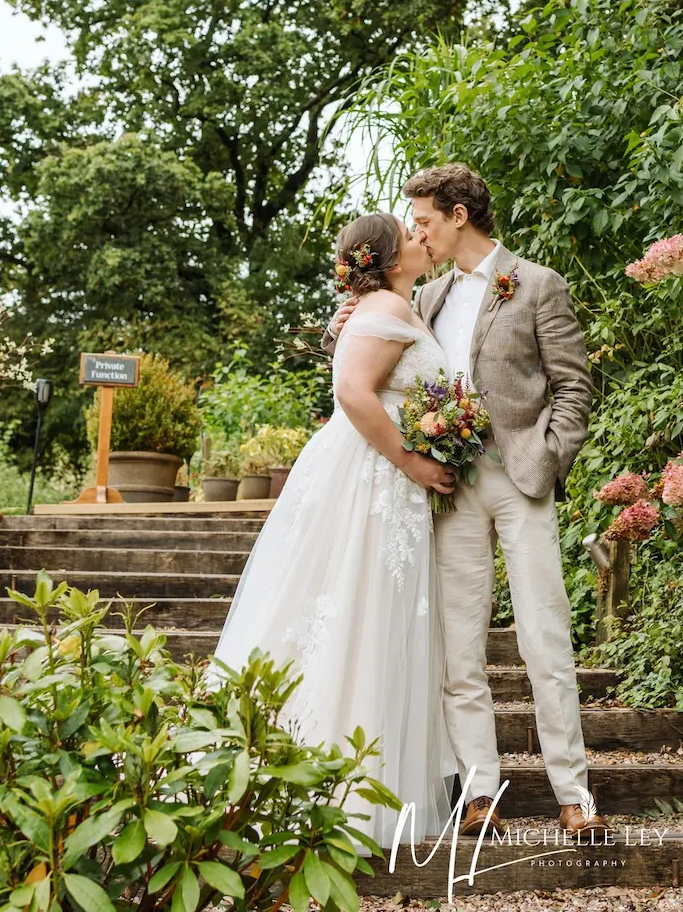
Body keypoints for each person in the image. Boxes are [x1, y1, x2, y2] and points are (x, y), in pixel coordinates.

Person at [325, 163, 606, 839]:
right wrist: (343, 326)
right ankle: (481, 794)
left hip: (521, 483)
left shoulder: (538, 284)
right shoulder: (426, 298)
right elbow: (377, 368)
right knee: (459, 648)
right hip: (448, 491)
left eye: (422, 219)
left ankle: (576, 795)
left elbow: (574, 388)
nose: (415, 232)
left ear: (457, 215)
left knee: (545, 633)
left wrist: (547, 456)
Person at [209, 212, 458, 849]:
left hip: (381, 475)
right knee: (358, 610)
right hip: (374, 476)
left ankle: (351, 780)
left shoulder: (397, 303)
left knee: (371, 612)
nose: (419, 239)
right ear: (388, 260)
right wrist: (410, 459)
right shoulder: (384, 305)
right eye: (409, 235)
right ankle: (337, 790)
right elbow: (352, 389)